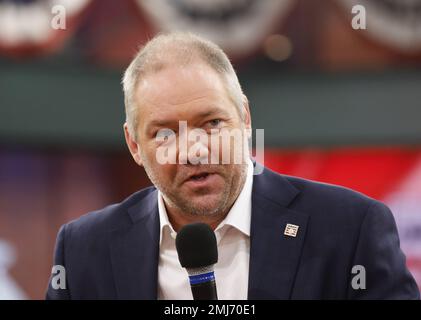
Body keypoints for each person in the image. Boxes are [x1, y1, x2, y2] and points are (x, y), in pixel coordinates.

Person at [46, 32, 419, 300]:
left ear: (244, 118)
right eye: (164, 134)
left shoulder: (350, 229)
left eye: (212, 123)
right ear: (134, 145)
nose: (195, 151)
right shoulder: (83, 251)